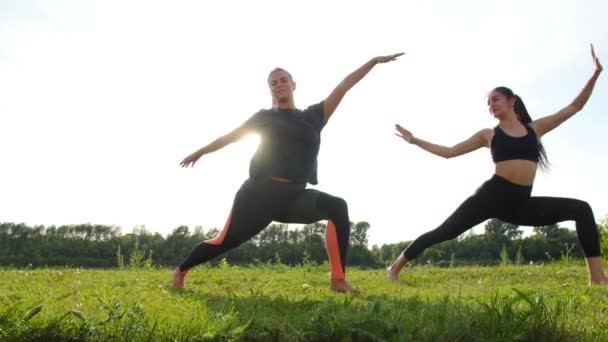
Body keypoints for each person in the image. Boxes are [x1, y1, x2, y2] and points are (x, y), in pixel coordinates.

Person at [173, 52, 404, 293]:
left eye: (283, 80)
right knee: (224, 242)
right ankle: (180, 271)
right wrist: (200, 152)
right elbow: (230, 137)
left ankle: (337, 280)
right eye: (273, 82)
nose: (279, 84)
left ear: (293, 85)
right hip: (257, 195)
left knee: (337, 207)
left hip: (293, 196)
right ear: (269, 89)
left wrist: (373, 62)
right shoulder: (263, 118)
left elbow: (344, 86)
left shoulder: (314, 116)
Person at [386, 45, 607, 286]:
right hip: (490, 197)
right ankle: (394, 268)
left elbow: (574, 107)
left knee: (581, 209)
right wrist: (415, 140)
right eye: (488, 103)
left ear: (512, 101)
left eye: (495, 99)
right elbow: (450, 152)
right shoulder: (488, 134)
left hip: (521, 203)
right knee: (445, 232)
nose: (491, 105)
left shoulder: (535, 129)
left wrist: (594, 74)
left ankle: (597, 278)